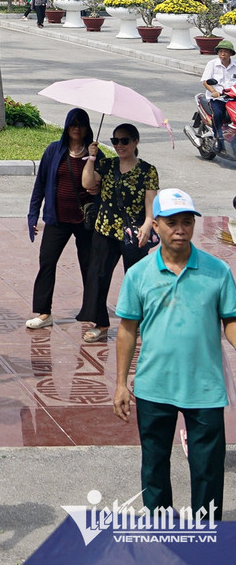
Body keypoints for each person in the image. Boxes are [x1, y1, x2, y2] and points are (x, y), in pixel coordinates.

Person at [113, 188, 236, 522]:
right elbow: (127, 330)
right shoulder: (139, 274)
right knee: (154, 465)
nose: (180, 229)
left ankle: (205, 534)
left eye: (187, 222)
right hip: (155, 386)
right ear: (156, 226)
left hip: (205, 388)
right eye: (171, 223)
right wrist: (121, 383)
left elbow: (230, 321)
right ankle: (159, 531)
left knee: (208, 470)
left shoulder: (217, 271)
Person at [78, 123, 158, 343]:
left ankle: (139, 320)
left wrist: (148, 224)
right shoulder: (107, 164)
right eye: (115, 141)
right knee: (98, 276)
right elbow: (86, 182)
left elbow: (150, 202)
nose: (119, 145)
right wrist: (92, 158)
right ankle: (100, 323)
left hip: (134, 232)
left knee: (136, 278)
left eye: (124, 141)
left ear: (135, 142)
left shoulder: (147, 170)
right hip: (104, 229)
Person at [25, 109, 97, 328]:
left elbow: (102, 186)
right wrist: (33, 215)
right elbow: (40, 185)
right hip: (57, 219)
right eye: (72, 124)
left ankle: (91, 311)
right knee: (47, 262)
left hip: (85, 221)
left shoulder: (94, 154)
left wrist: (93, 160)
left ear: (87, 128)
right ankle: (44, 313)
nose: (76, 128)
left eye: (80, 124)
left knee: (90, 266)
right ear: (66, 127)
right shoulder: (54, 151)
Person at [201, 39, 236, 153]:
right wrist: (213, 91)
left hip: (232, 98)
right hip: (217, 99)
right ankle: (218, 138)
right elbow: (206, 81)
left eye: (226, 51)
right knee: (218, 114)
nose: (223, 54)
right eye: (221, 51)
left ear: (231, 53)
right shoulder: (212, 64)